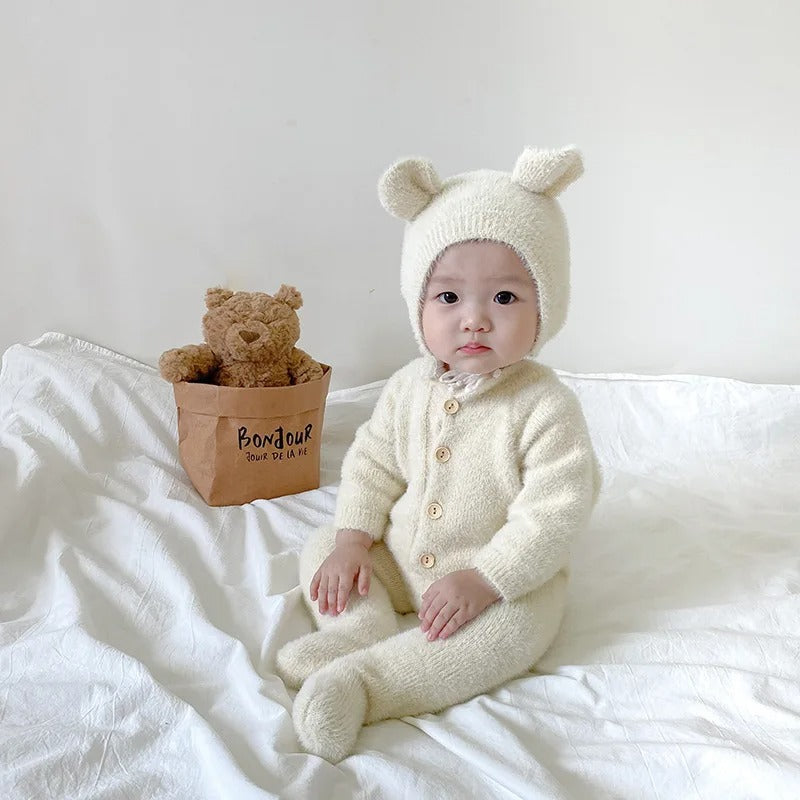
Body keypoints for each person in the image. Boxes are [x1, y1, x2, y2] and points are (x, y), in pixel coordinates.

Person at [276, 146, 602, 761]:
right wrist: (353, 541)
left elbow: (555, 513)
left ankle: (366, 684)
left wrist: (487, 578)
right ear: (418, 305)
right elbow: (372, 464)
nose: (474, 320)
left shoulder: (545, 406)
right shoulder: (408, 387)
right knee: (324, 546)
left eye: (504, 298)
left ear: (546, 305)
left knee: (514, 633)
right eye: (449, 298)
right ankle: (357, 632)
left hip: (499, 580)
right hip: (403, 558)